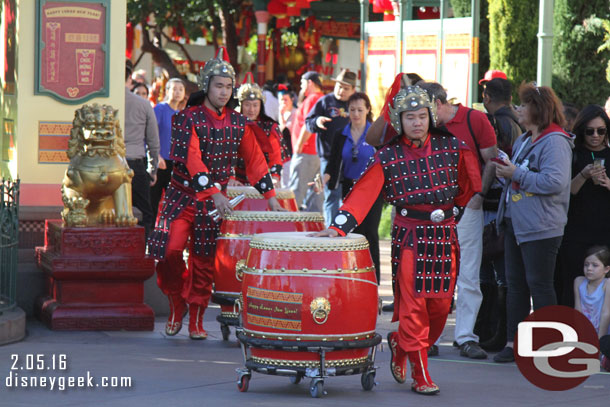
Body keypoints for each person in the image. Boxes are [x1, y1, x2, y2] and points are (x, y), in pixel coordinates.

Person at [315, 85, 481, 394]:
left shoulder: (452, 146)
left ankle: (400, 343)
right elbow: (363, 193)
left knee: (441, 308)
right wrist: (338, 227)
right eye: (410, 117)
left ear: (431, 116)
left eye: (422, 116)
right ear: (398, 120)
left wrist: (452, 212)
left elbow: (467, 184)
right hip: (410, 238)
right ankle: (422, 376)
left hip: (444, 236)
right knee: (414, 307)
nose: (417, 122)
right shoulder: (388, 155)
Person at [147, 49, 284, 340]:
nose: (224, 92)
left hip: (213, 202)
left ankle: (196, 317)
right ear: (206, 85)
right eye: (218, 85)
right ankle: (176, 302)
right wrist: (214, 192)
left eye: (228, 86)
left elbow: (255, 159)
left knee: (204, 260)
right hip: (181, 195)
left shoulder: (238, 122)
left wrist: (270, 195)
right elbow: (192, 159)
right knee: (169, 251)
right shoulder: (186, 118)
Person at [493, 82, 573, 363]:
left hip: (541, 226)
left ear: (538, 109)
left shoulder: (556, 141)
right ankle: (514, 343)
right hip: (516, 223)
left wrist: (516, 173)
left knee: (539, 285)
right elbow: (521, 176)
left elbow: (555, 182)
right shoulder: (525, 139)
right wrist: (507, 172)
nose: (518, 109)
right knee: (516, 286)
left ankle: (547, 346)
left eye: (524, 105)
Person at [419, 81, 498, 360]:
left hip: (467, 206)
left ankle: (465, 336)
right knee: (435, 274)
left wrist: (479, 194)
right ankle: (430, 337)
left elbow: (492, 159)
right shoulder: (427, 126)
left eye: (425, 110)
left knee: (468, 274)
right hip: (435, 210)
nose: (421, 118)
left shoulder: (475, 119)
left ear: (438, 103)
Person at [476, 77, 523, 351]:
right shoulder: (515, 122)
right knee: (498, 271)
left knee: (495, 270)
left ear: (487, 96)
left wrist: (480, 192)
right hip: (505, 202)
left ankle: (493, 329)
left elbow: (494, 163)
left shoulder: (496, 123)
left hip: (496, 204)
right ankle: (492, 329)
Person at [322, 92, 383, 284]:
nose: (356, 114)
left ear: (367, 110)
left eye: (360, 109)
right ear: (347, 111)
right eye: (352, 110)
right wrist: (322, 181)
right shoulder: (341, 134)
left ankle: (374, 280)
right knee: (350, 232)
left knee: (370, 233)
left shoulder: (375, 133)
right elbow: (332, 165)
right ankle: (354, 279)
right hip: (349, 187)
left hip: (372, 189)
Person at [555, 105, 610, 307]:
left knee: (605, 287)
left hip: (604, 231)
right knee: (572, 283)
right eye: (590, 131)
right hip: (575, 231)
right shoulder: (572, 154)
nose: (595, 136)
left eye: (601, 131)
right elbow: (564, 192)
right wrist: (583, 175)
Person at [305, 69, 356, 226]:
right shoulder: (325, 102)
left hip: (351, 157)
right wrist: (318, 121)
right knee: (331, 194)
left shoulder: (355, 105)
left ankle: (347, 229)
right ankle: (331, 229)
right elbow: (308, 122)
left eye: (346, 88)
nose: (341, 91)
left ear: (353, 90)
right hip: (328, 157)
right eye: (339, 86)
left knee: (350, 195)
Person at [124, 61, 160, 239]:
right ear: (130, 78)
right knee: (145, 213)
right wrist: (152, 170)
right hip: (135, 164)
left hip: (107, 164)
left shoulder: (105, 101)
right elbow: (153, 141)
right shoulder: (144, 105)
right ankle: (140, 251)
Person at [231, 73, 285, 186]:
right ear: (241, 105)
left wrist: (275, 177)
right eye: (247, 105)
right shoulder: (231, 126)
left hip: (262, 181)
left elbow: (275, 156)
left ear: (261, 106)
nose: (251, 109)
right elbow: (226, 155)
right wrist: (231, 178)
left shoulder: (269, 127)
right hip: (236, 182)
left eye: (255, 105)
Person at [151, 78, 186, 220]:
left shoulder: (181, 114)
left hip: (175, 164)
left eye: (181, 89)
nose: (177, 92)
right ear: (167, 91)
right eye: (174, 89)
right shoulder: (160, 109)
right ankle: (150, 236)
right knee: (153, 201)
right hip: (159, 161)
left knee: (173, 204)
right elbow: (150, 134)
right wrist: (156, 156)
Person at [289, 71, 324, 212]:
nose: (301, 87)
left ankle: (289, 227)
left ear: (310, 82)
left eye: (303, 83)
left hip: (307, 152)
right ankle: (314, 227)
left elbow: (308, 125)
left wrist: (299, 144)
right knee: (316, 195)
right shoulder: (322, 98)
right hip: (316, 153)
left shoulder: (313, 99)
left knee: (296, 193)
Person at [574, 246, 610, 338]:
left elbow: (606, 313)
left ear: (606, 269)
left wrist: (600, 340)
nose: (589, 268)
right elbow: (578, 310)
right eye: (586, 264)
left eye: (595, 265)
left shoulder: (607, 284)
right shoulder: (579, 281)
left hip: (603, 331)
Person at [278, 85, 296, 188]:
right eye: (281, 100)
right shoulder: (282, 113)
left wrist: (281, 116)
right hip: (282, 153)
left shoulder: (295, 113)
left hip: (291, 153)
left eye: (286, 99)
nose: (283, 102)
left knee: (288, 185)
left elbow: (285, 131)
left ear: (292, 99)